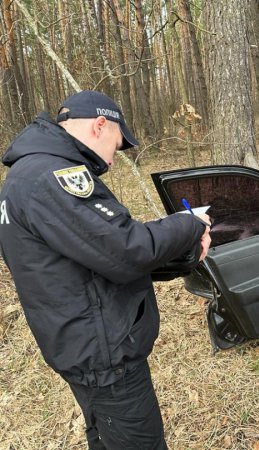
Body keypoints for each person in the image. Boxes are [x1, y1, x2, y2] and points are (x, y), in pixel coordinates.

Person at [0, 90, 211, 449]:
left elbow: (95, 257)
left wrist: (182, 256)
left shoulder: (27, 175)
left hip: (83, 346)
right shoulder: (52, 176)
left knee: (106, 436)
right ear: (100, 125)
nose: (113, 160)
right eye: (117, 143)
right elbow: (128, 250)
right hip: (104, 358)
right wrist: (189, 224)